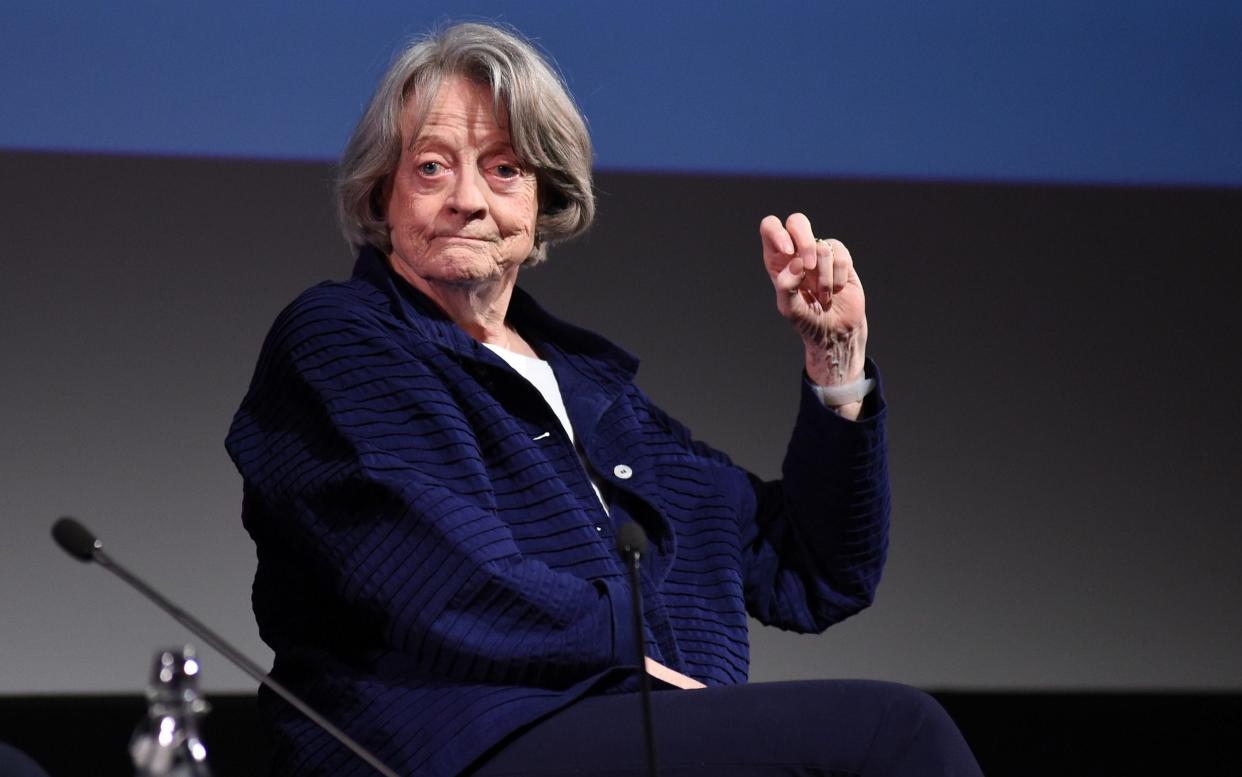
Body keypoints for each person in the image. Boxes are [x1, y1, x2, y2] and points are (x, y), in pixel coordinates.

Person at [226, 21, 981, 777]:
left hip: (638, 728)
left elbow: (814, 567)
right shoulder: (344, 338)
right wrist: (643, 648)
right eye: (430, 168)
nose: (467, 199)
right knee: (895, 735)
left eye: (503, 168)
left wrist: (837, 362)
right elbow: (445, 581)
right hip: (457, 744)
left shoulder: (591, 388)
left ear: (542, 198)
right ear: (380, 194)